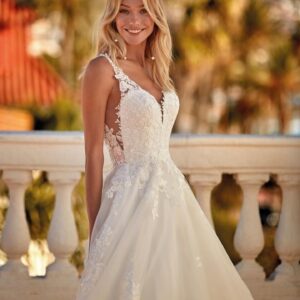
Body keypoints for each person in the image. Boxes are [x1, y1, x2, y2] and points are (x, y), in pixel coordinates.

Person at [76, 0, 255, 299]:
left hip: (174, 200)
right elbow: (93, 155)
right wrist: (95, 235)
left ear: (155, 15)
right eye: (124, 9)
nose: (134, 20)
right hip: (128, 206)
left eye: (143, 9)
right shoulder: (102, 70)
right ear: (112, 15)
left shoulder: (157, 69)